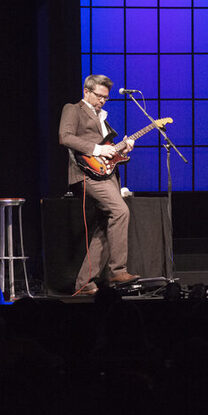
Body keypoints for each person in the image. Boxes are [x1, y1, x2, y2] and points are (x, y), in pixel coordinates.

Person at [59, 74, 139, 296]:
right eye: (99, 96)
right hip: (86, 174)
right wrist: (97, 149)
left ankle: (84, 283)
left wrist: (120, 149)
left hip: (105, 174)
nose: (102, 101)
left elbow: (107, 149)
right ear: (87, 91)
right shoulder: (73, 109)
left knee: (105, 227)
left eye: (106, 98)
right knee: (120, 211)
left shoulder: (102, 118)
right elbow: (65, 137)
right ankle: (118, 270)